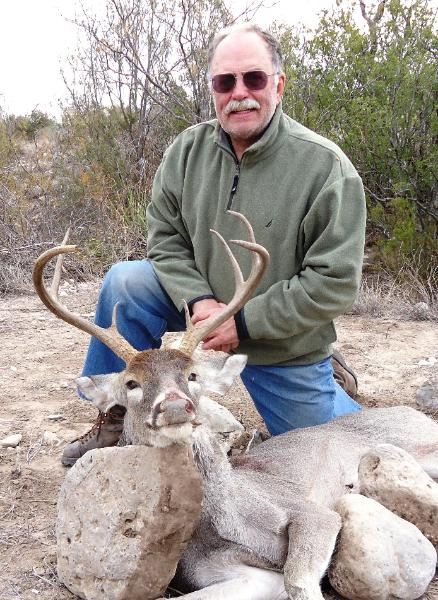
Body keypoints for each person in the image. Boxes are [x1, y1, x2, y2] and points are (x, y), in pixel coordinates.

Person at [61, 23, 365, 467]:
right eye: (225, 82)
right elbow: (165, 238)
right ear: (213, 89)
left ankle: (328, 383)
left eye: (254, 79)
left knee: (338, 454)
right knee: (126, 283)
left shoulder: (326, 168)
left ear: (278, 85)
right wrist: (199, 301)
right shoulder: (187, 151)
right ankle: (116, 417)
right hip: (199, 311)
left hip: (282, 344)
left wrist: (245, 322)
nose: (239, 93)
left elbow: (334, 283)